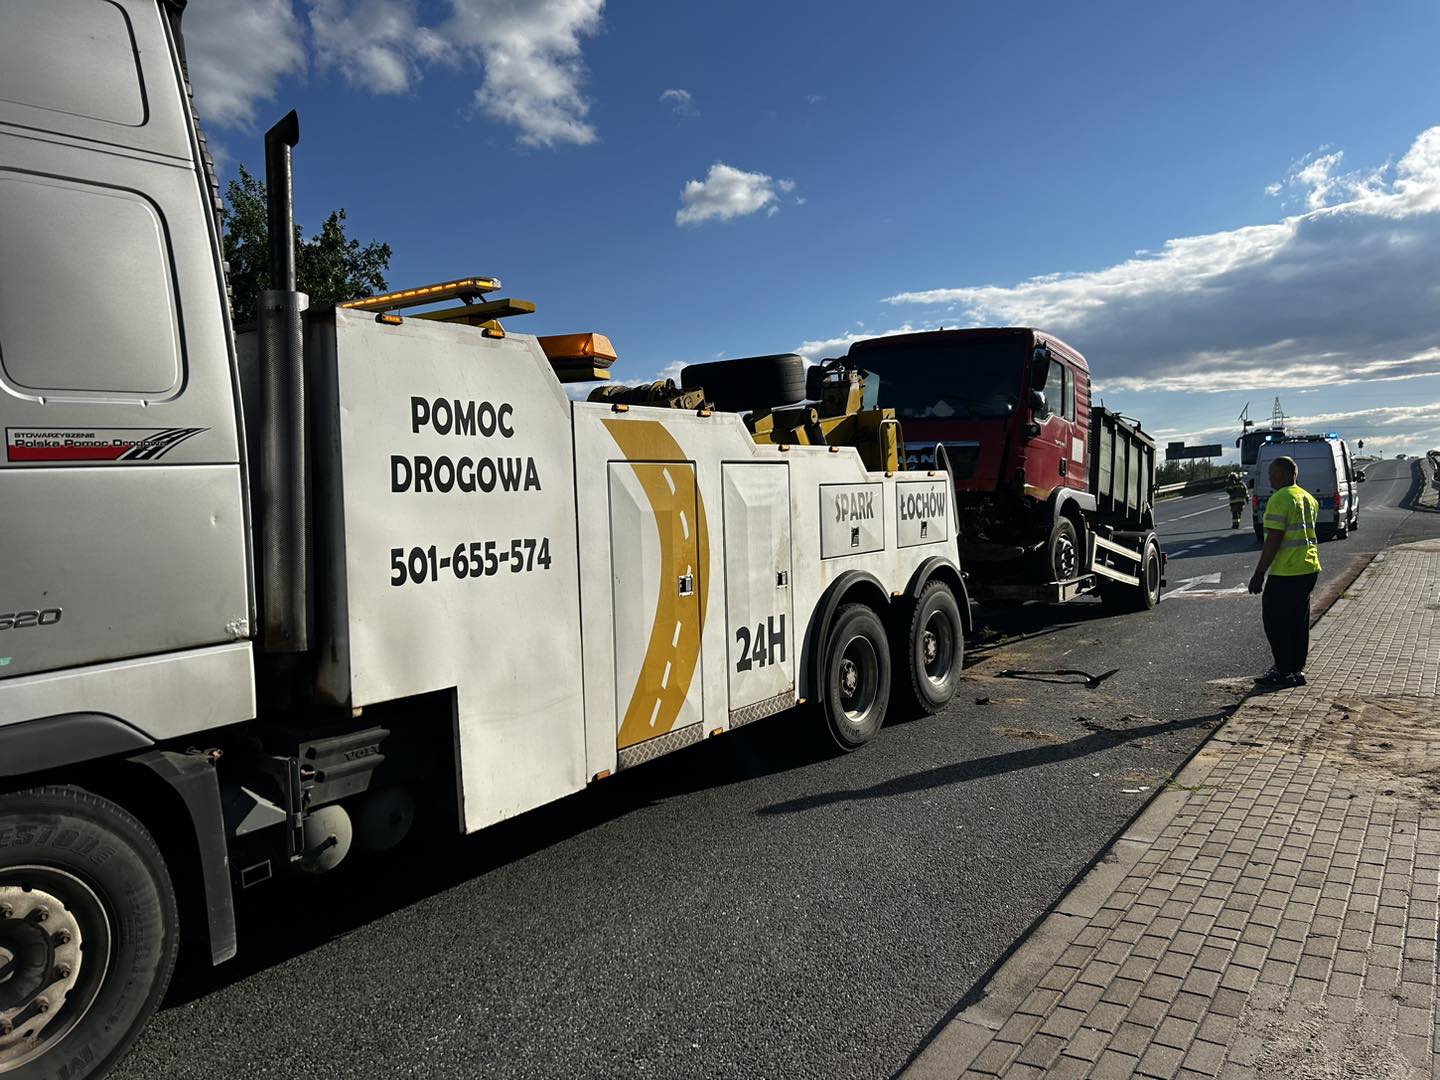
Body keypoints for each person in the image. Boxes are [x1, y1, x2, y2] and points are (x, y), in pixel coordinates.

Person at [1247, 456, 1321, 687]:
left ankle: (1283, 670)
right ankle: (1296, 670)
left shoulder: (1280, 498)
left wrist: (1259, 573)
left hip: (1286, 571)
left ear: (1281, 474)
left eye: (1272, 473)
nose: (1269, 478)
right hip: (1308, 568)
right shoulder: (1308, 498)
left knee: (1275, 622)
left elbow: (1274, 539)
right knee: (1298, 622)